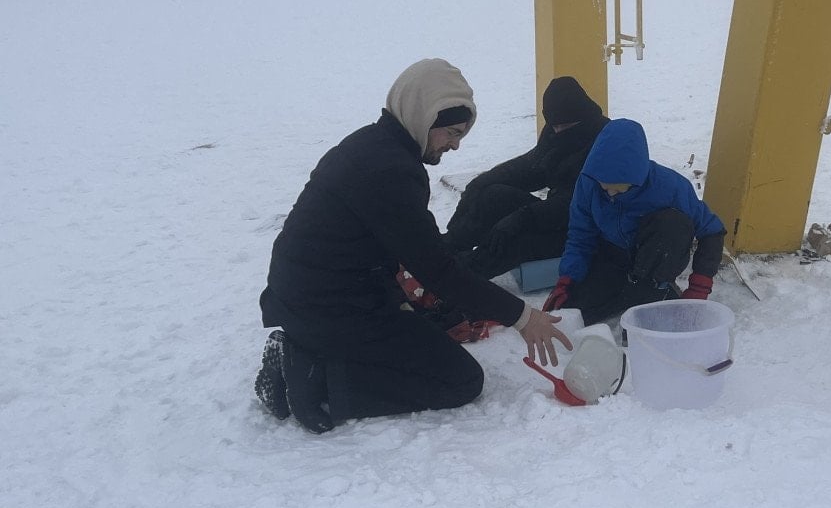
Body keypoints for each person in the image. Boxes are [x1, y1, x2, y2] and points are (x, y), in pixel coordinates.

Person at [254, 59, 571, 433]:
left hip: (315, 294)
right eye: (452, 132)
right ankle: (313, 376)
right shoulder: (391, 171)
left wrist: (398, 300)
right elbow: (438, 269)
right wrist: (521, 317)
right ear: (425, 116)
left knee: (425, 334)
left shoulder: (372, 145)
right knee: (460, 380)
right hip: (328, 306)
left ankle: (313, 351)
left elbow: (376, 245)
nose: (455, 145)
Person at [542, 118, 726, 326]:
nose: (611, 193)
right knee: (574, 310)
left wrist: (699, 287)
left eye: (619, 187)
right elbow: (580, 235)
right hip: (612, 257)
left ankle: (656, 289)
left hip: (653, 255)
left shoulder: (671, 186)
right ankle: (631, 294)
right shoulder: (588, 183)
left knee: (673, 224)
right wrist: (567, 280)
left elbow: (712, 231)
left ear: (637, 177)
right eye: (605, 186)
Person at [445, 76, 608, 279]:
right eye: (553, 125)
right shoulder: (559, 128)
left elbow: (576, 203)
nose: (557, 131)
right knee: (493, 195)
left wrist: (522, 218)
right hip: (554, 217)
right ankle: (444, 251)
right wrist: (482, 182)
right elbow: (532, 167)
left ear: (581, 116)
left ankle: (455, 277)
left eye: (563, 126)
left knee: (514, 239)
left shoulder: (603, 143)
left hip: (584, 232)